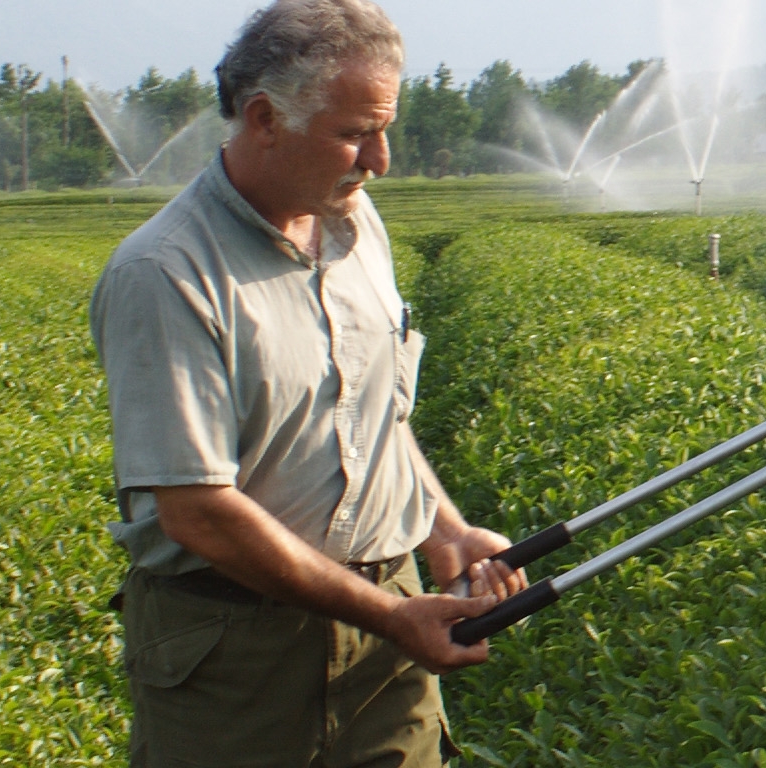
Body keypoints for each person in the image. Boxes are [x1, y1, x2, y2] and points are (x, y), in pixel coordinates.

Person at [89, 1, 525, 764]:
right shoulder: (167, 273)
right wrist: (392, 618)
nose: (379, 160)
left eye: (383, 130)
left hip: (388, 624)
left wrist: (444, 530)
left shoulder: (356, 225)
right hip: (234, 652)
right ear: (263, 117)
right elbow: (199, 513)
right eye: (355, 134)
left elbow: (374, 416)